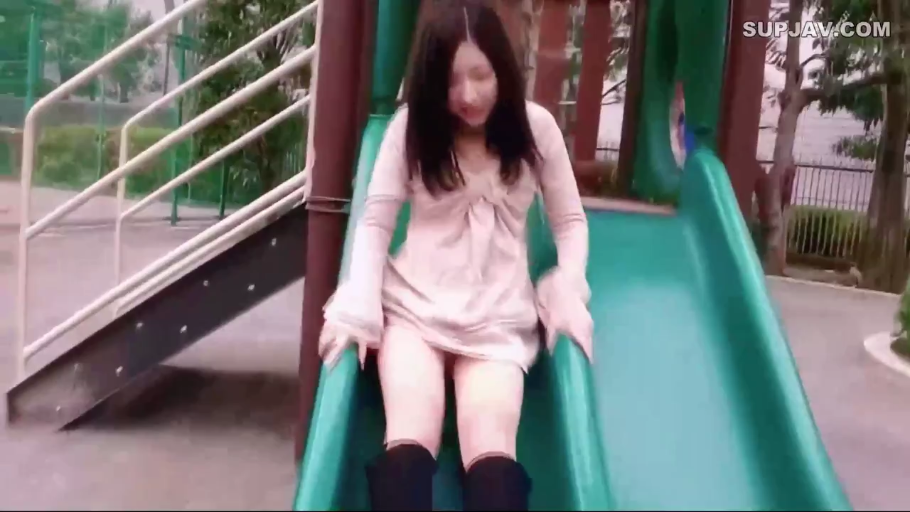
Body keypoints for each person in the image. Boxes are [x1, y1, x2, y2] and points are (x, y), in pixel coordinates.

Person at [318, 1, 593, 510]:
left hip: (497, 323)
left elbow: (571, 222)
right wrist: (361, 295)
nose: (467, 95)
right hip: (414, 313)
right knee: (411, 433)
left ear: (502, 69)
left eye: (481, 76)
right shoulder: (412, 128)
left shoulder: (535, 128)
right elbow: (375, 223)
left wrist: (568, 280)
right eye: (451, 81)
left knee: (491, 447)